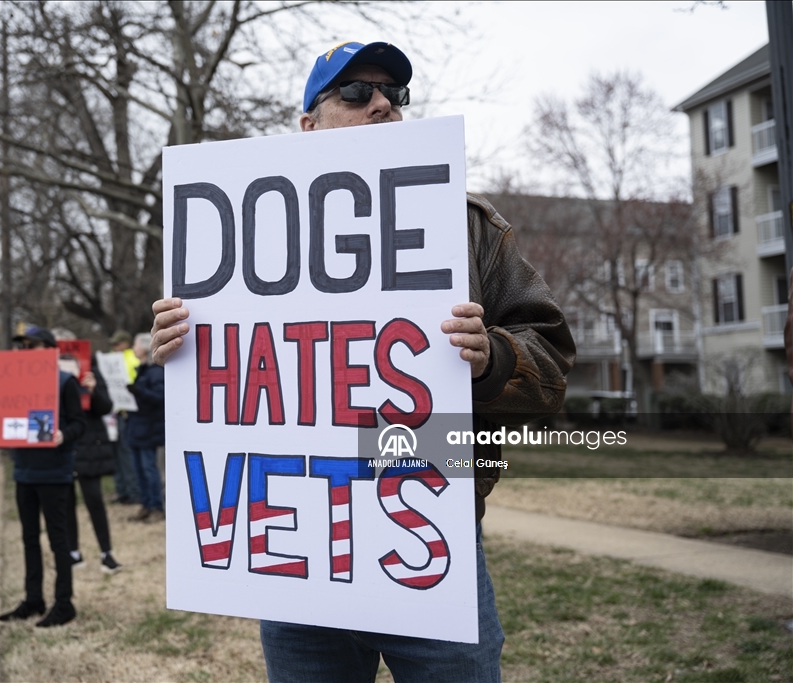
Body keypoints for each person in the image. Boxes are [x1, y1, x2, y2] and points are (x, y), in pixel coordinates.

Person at [149, 41, 575, 682]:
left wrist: (494, 359)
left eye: (393, 94)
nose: (381, 104)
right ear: (308, 125)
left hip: (427, 535)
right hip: (294, 548)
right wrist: (179, 349)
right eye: (354, 92)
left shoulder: (466, 226)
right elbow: (231, 384)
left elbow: (553, 371)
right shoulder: (240, 234)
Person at [0, 326, 87, 628]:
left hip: (54, 474)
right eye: (22, 346)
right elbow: (4, 422)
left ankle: (64, 604)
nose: (25, 351)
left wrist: (64, 434)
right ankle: (33, 599)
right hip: (24, 472)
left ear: (49, 350)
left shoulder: (65, 382)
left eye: (31, 345)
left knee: (58, 541)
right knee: (29, 539)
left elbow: (79, 424)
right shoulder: (14, 385)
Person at [52, 336, 123, 575]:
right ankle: (73, 553)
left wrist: (93, 391)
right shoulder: (48, 373)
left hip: (89, 445)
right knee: (66, 502)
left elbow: (106, 407)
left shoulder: (91, 371)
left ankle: (106, 553)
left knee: (94, 500)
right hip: (64, 443)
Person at [124, 332, 166, 523]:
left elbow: (160, 398)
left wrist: (138, 391)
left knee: (150, 469)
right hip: (136, 427)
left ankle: (157, 506)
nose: (133, 348)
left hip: (149, 428)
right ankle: (146, 504)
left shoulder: (156, 371)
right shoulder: (141, 369)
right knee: (139, 470)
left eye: (136, 345)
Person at [108, 330, 142, 505]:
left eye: (117, 344)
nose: (114, 347)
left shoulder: (132, 359)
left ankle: (133, 492)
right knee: (116, 453)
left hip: (127, 412)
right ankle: (122, 491)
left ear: (126, 343)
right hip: (113, 412)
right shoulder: (112, 359)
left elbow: (134, 382)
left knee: (126, 453)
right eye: (113, 344)